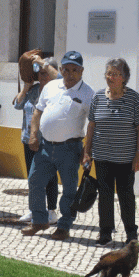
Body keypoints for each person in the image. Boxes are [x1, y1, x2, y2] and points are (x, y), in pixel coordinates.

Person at [23, 51, 94, 240]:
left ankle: (64, 226)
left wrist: (87, 152)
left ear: (81, 71)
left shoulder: (88, 93)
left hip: (70, 149)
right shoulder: (51, 86)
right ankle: (39, 220)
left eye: (75, 70)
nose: (70, 73)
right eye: (66, 69)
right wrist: (33, 135)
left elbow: (93, 125)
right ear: (61, 70)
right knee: (35, 182)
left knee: (69, 190)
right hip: (45, 146)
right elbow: (37, 112)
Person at [82, 58, 139, 246]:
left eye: (116, 74)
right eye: (109, 73)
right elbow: (91, 126)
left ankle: (131, 233)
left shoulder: (133, 98)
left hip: (126, 159)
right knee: (105, 195)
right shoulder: (98, 97)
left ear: (124, 77)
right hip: (102, 157)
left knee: (126, 195)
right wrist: (87, 152)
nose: (111, 77)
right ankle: (105, 232)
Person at [14, 56, 60, 225]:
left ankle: (51, 210)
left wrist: (42, 62)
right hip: (28, 139)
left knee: (50, 177)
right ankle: (34, 209)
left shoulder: (57, 91)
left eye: (45, 73)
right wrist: (25, 87)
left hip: (48, 140)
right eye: (40, 73)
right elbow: (17, 106)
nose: (42, 76)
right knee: (32, 177)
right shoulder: (32, 91)